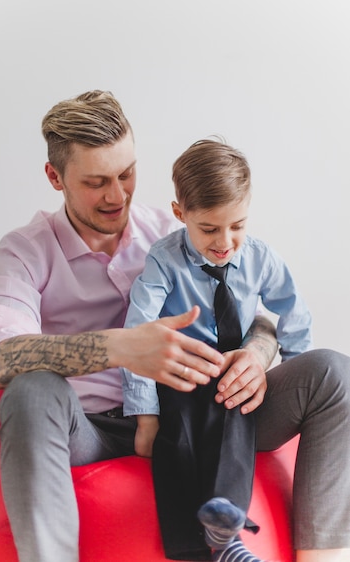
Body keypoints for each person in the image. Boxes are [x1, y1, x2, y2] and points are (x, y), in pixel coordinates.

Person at [0, 90, 350, 562]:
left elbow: (258, 314)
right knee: (30, 390)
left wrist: (256, 353)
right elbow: (0, 360)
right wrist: (121, 348)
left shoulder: (177, 232)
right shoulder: (24, 252)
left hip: (202, 408)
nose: (117, 195)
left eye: (126, 174)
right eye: (96, 182)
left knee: (335, 372)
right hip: (88, 426)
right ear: (55, 177)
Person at [122, 139, 313, 562]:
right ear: (179, 214)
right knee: (180, 438)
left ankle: (227, 536)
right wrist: (145, 419)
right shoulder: (164, 261)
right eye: (209, 229)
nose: (225, 241)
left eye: (237, 226)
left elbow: (294, 314)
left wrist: (290, 373)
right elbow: (135, 332)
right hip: (182, 377)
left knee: (232, 396)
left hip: (232, 378)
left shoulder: (261, 258)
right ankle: (200, 545)